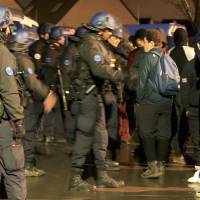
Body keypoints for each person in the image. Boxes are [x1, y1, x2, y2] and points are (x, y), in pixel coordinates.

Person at [68, 12, 125, 191]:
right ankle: (75, 178)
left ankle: (102, 175)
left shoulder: (98, 44)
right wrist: (121, 76)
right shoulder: (91, 44)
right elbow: (100, 70)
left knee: (101, 137)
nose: (111, 33)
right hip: (87, 98)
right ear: (101, 28)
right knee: (84, 137)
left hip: (95, 96)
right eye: (109, 30)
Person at [7, 27, 57, 177]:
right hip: (24, 102)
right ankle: (27, 164)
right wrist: (47, 93)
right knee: (28, 132)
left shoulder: (8, 55)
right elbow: (31, 81)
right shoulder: (23, 59)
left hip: (12, 100)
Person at [137, 29, 173, 178]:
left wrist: (140, 100)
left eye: (145, 42)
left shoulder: (147, 58)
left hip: (150, 102)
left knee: (146, 133)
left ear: (151, 42)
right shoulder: (167, 57)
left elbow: (142, 82)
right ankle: (161, 165)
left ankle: (152, 167)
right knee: (163, 133)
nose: (144, 45)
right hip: (166, 101)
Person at [0, 7, 26, 199]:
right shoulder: (3, 54)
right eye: (7, 27)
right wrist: (18, 121)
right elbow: (9, 90)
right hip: (3, 125)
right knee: (14, 172)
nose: (9, 31)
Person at [169, 28, 195, 165]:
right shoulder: (190, 51)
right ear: (186, 39)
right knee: (185, 122)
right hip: (187, 92)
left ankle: (177, 152)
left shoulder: (170, 51)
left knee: (175, 120)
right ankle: (181, 151)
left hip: (173, 91)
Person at [181, 42, 200, 183]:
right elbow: (185, 88)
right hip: (194, 109)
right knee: (197, 140)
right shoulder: (189, 66)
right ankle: (199, 171)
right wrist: (187, 107)